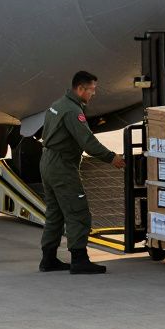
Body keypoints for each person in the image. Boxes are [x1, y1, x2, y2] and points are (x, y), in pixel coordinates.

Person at [38, 71, 126, 275]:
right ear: (80, 89)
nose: (93, 94)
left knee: (55, 212)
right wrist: (111, 158)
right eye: (91, 90)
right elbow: (87, 142)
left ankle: (48, 258)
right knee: (78, 212)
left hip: (48, 161)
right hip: (62, 166)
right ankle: (79, 259)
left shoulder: (58, 104)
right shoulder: (72, 111)